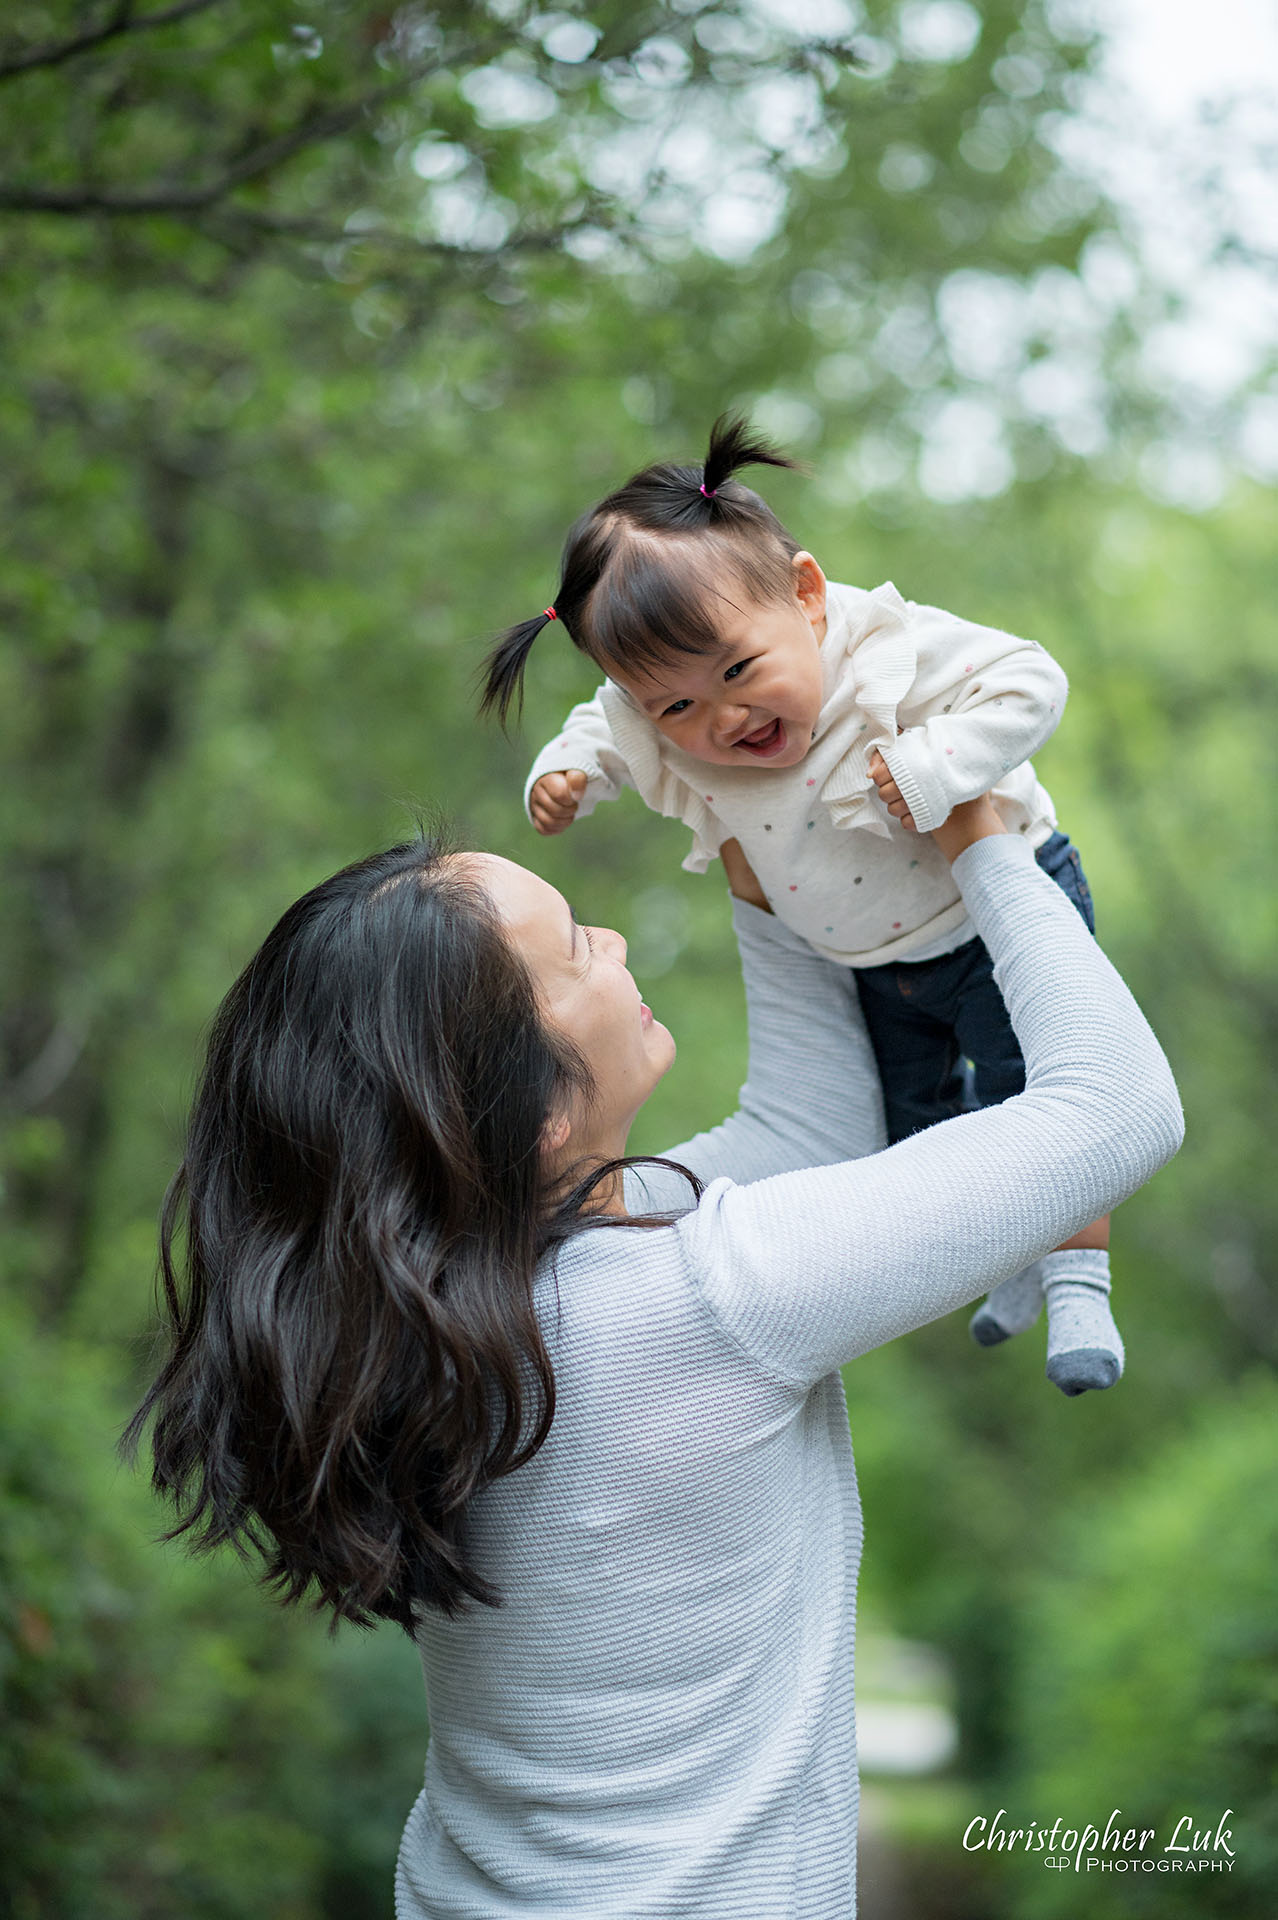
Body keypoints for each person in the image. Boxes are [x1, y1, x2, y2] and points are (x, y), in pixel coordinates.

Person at [123, 798, 1182, 1918]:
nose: (618, 943)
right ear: (530, 1113)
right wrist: (986, 836)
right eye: (579, 948)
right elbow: (1121, 1109)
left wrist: (757, 835)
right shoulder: (706, 1294)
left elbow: (816, 1130)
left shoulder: (446, 1325)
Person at [483, 416, 1119, 1395]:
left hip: (992, 920)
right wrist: (560, 775)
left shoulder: (886, 653)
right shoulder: (641, 716)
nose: (724, 718)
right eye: (677, 708)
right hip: (873, 961)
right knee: (919, 1133)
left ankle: (1079, 1280)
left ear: (809, 597)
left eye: (739, 671)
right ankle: (1008, 1258)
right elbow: (598, 732)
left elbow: (1032, 679)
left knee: (1032, 1094)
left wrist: (935, 766)